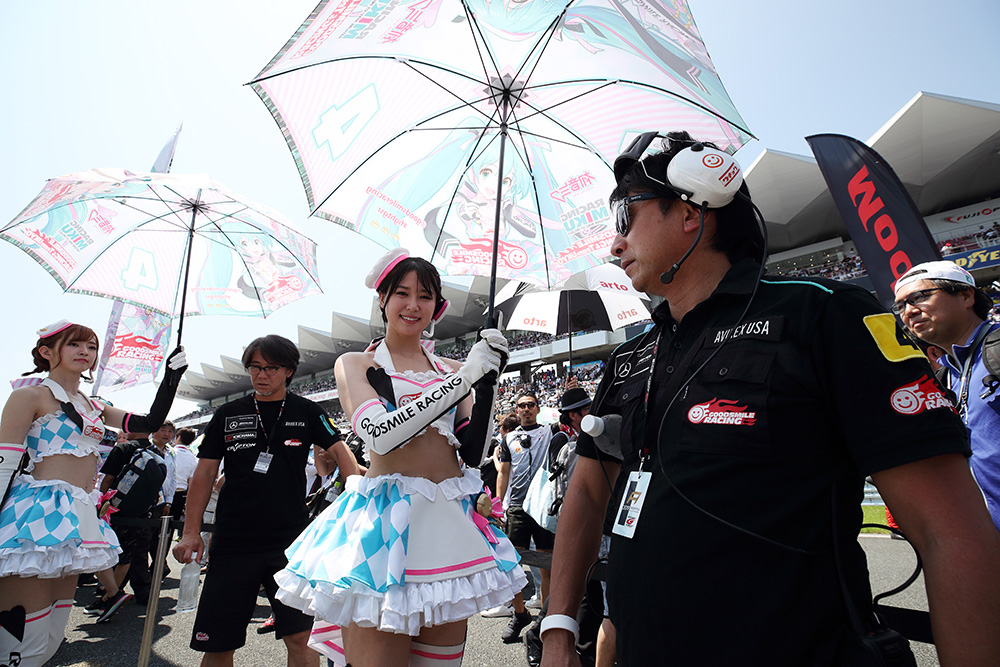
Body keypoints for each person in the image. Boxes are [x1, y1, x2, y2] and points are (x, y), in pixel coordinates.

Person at [540, 131, 1000, 666]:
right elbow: (588, 488)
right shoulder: (630, 355)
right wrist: (558, 628)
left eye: (626, 214)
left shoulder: (827, 314)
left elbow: (951, 531)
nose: (615, 243)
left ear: (691, 211)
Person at [274, 248, 526, 667]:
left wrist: (487, 385)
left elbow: (474, 452)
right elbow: (380, 436)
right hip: (383, 529)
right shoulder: (357, 364)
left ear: (437, 306)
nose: (413, 305)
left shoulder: (452, 367)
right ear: (383, 299)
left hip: (447, 527)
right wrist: (464, 379)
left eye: (425, 296)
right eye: (402, 294)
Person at [0, 320, 185, 665]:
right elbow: (3, 461)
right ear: (46, 352)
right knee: (24, 640)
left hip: (77, 516)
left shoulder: (94, 405)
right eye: (74, 344)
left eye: (92, 346)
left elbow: (147, 423)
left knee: (52, 636)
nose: (85, 352)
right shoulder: (30, 396)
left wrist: (171, 380)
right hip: (35, 517)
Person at [172, 334, 359, 667]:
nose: (261, 374)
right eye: (255, 367)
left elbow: (342, 453)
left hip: (291, 544)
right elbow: (203, 475)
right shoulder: (228, 413)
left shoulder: (307, 411)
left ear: (288, 370)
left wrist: (356, 505)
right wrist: (190, 532)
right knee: (218, 644)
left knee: (301, 638)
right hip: (232, 543)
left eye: (271, 367)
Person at [892, 260, 1000, 532]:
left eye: (920, 296)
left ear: (966, 296)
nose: (909, 311)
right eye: (900, 306)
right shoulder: (945, 376)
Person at [495, 391, 557, 643]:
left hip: (543, 506)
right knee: (512, 565)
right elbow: (503, 473)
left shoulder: (550, 431)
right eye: (522, 405)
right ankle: (520, 613)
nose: (526, 409)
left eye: (531, 404)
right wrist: (498, 504)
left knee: (546, 564)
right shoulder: (508, 438)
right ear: (517, 410)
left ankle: (546, 616)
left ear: (538, 408)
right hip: (517, 507)